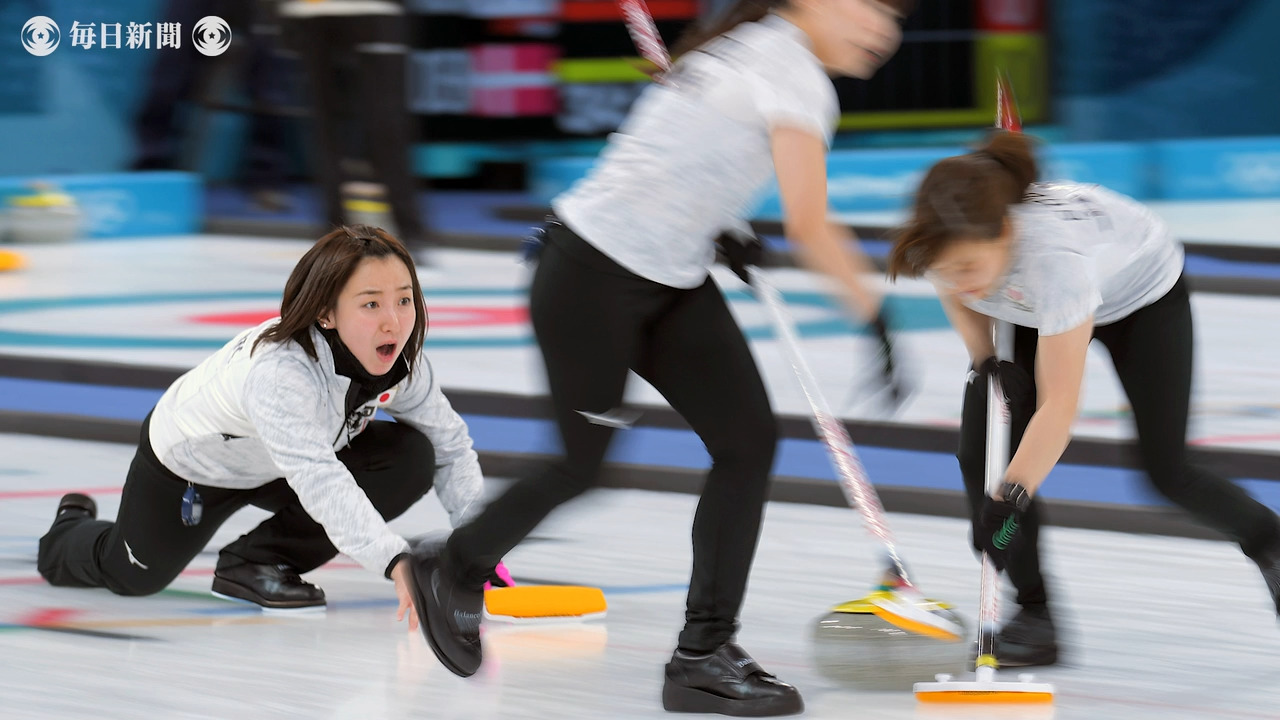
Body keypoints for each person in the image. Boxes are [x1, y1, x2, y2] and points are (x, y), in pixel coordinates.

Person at [406, 1, 912, 716]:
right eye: (867, 6)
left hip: (671, 277)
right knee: (582, 465)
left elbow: (681, 148)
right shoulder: (794, 74)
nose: (881, 29)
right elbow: (808, 222)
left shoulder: (747, 44)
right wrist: (877, 317)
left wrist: (722, 221)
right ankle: (451, 565)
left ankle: (702, 655)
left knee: (747, 444)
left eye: (894, 14)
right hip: (590, 276)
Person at [886, 130, 1280, 667]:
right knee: (982, 452)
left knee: (1167, 472)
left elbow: (1059, 408)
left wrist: (1007, 504)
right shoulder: (939, 241)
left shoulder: (1055, 264)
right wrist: (987, 362)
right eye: (950, 270)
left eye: (970, 268)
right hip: (1030, 303)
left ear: (1004, 234)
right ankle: (1036, 614)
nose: (963, 283)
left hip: (1142, 293)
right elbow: (955, 289)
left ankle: (1269, 540)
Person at [37, 226, 495, 623]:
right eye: (371, 304)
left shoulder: (401, 361)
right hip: (194, 468)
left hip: (281, 463)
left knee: (412, 457)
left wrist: (482, 545)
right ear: (326, 313)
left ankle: (255, 563)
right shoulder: (281, 373)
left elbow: (450, 444)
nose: (394, 322)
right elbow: (319, 478)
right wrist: (395, 562)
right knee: (130, 576)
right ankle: (67, 530)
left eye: (404, 300)